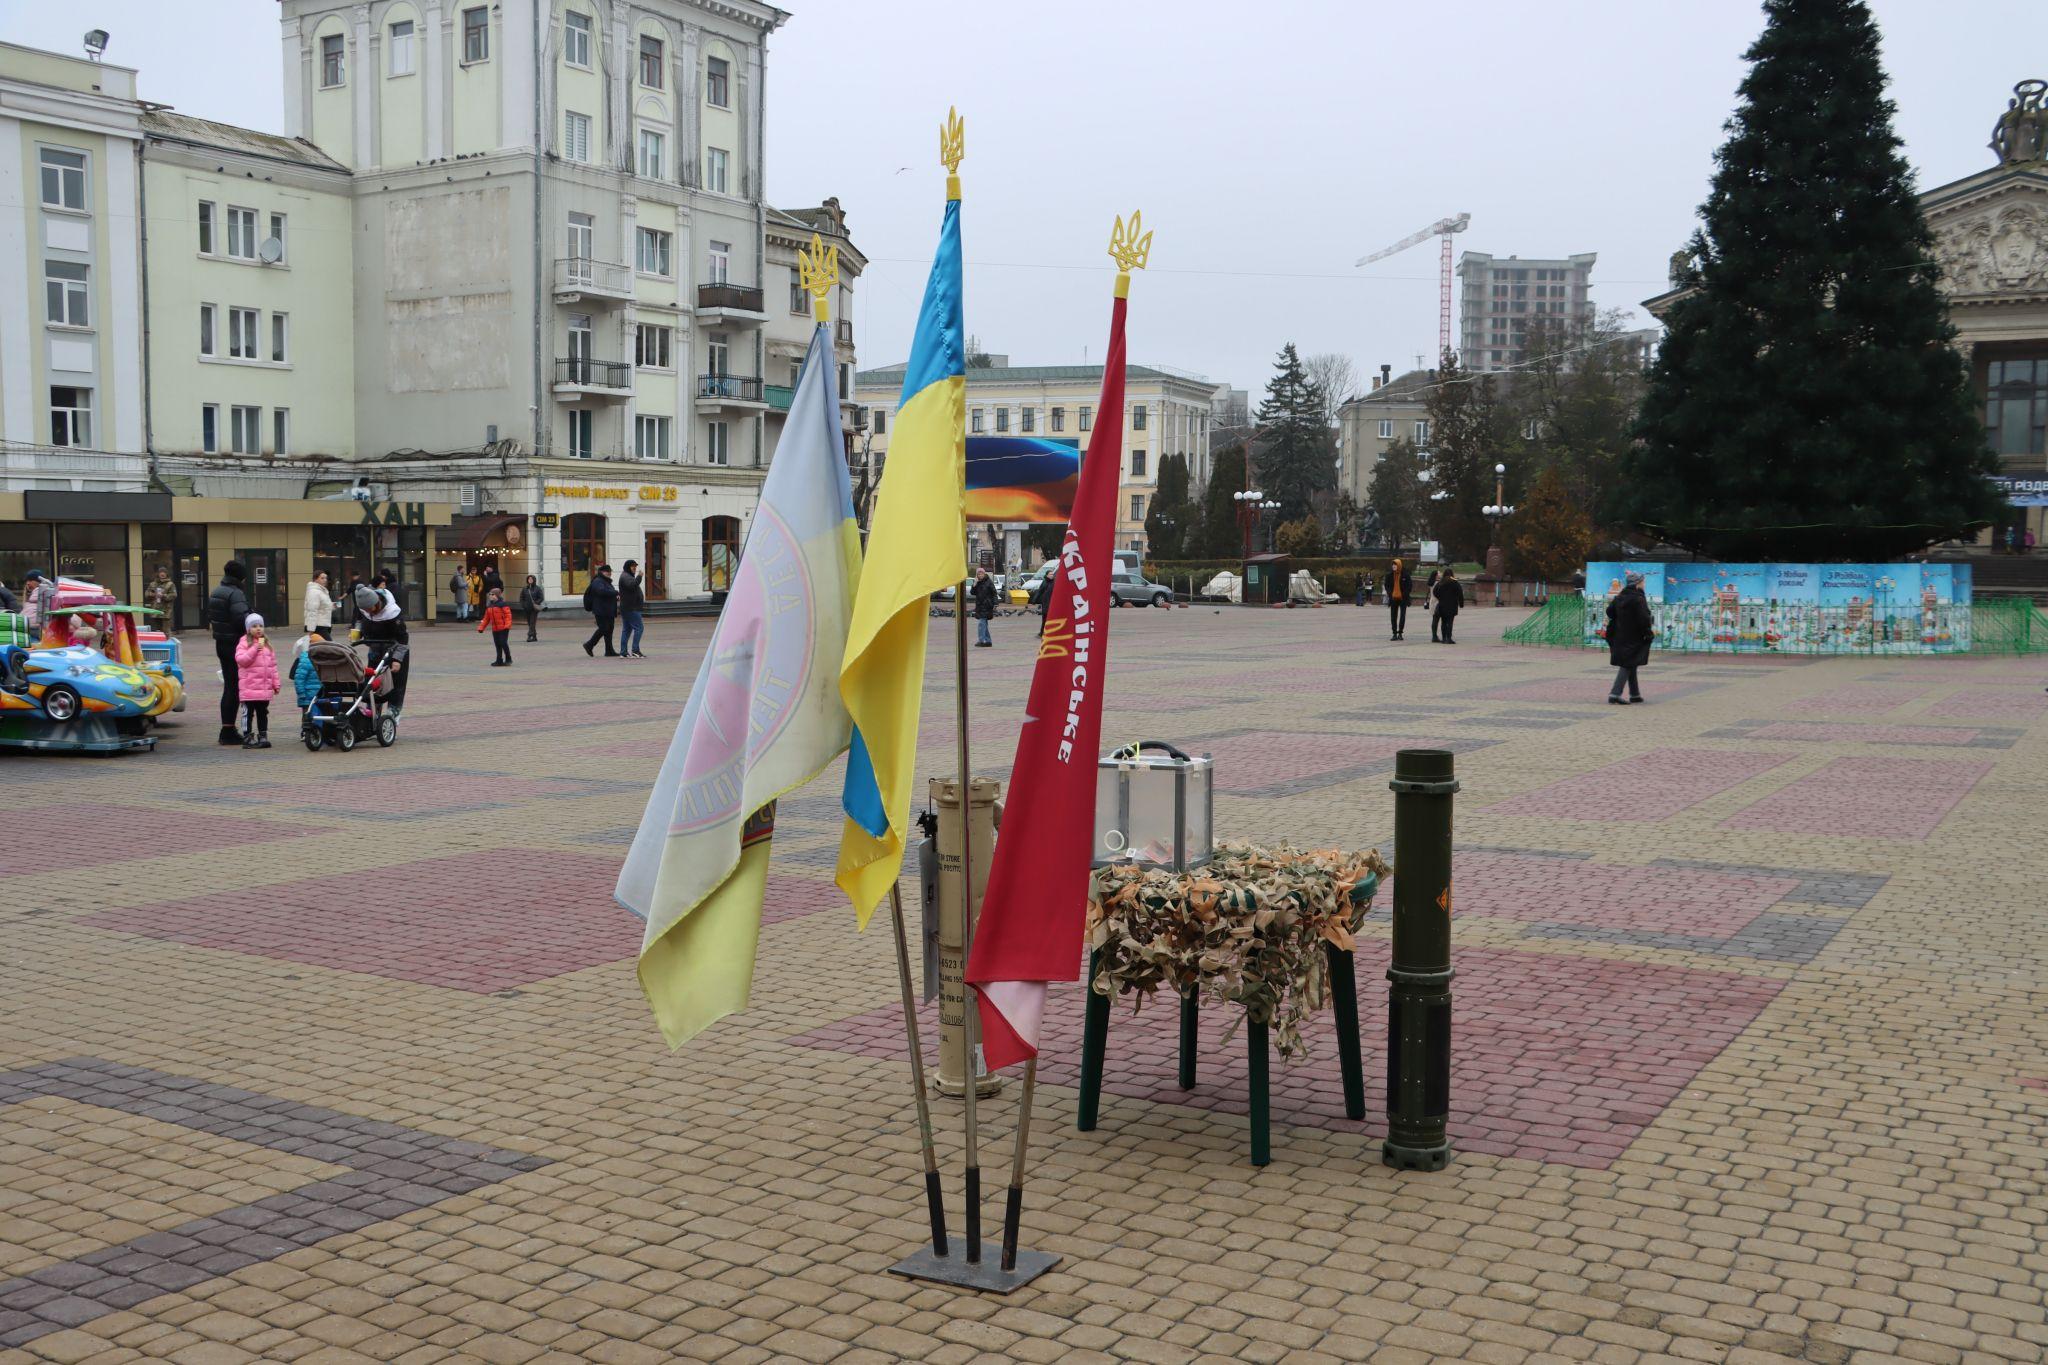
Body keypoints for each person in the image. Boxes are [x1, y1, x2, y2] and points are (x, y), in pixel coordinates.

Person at [206, 561, 252, 745]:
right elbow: (242, 619)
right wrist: (252, 616)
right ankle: (228, 731)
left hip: (221, 643)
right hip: (235, 644)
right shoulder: (236, 593)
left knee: (229, 686)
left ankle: (227, 727)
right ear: (240, 576)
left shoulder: (217, 591)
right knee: (234, 687)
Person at [357, 569, 410, 718]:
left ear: (377, 603)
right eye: (365, 610)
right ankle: (373, 712)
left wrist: (397, 659)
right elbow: (364, 626)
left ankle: (393, 714)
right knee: (373, 681)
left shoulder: (392, 613)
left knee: (396, 684)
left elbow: (403, 637)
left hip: (395, 648)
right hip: (376, 648)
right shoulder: (367, 611)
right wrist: (360, 634)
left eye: (370, 609)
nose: (369, 612)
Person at [1606, 570, 1655, 704]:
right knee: (1628, 664)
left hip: (1620, 635)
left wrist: (1622, 619)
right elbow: (1644, 618)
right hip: (1634, 636)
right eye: (1643, 582)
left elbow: (1609, 611)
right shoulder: (1638, 598)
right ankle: (1615, 693)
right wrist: (1648, 633)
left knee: (1631, 662)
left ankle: (1635, 694)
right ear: (1638, 583)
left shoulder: (1620, 597)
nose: (1644, 584)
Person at [234, 613, 281, 748]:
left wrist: (275, 683)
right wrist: (255, 648)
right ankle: (247, 736)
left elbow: (273, 667)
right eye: (254, 626)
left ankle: (263, 736)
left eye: (261, 626)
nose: (258, 629)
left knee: (263, 713)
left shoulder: (267, 645)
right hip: (249, 688)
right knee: (248, 713)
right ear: (248, 629)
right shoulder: (244, 643)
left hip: (264, 688)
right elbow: (242, 660)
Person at [582, 564, 619, 657]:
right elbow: (601, 591)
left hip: (608, 610)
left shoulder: (606, 581)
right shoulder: (598, 581)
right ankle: (589, 644)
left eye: (610, 572)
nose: (610, 573)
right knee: (604, 628)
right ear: (602, 572)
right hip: (601, 610)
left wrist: (615, 597)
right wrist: (615, 592)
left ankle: (609, 650)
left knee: (609, 629)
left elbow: (607, 594)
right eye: (608, 572)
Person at [618, 559, 647, 659]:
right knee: (639, 628)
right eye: (632, 566)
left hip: (628, 607)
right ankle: (635, 651)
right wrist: (639, 576)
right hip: (631, 608)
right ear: (628, 567)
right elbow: (632, 585)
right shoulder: (626, 576)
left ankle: (623, 652)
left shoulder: (627, 576)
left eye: (635, 566)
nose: (635, 568)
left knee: (627, 629)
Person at [478, 587, 514, 666]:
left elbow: (508, 616)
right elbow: (486, 618)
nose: (490, 596)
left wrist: (507, 625)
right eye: (490, 594)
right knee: (497, 644)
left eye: (492, 594)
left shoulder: (503, 604)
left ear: (497, 595)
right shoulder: (490, 606)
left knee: (503, 643)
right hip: (495, 629)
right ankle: (499, 660)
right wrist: (481, 627)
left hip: (503, 628)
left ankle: (508, 658)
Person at [1431, 566, 1464, 644]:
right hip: (1452, 605)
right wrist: (1461, 603)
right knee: (1450, 622)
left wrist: (1440, 598)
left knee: (1443, 622)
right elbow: (1460, 593)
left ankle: (1444, 638)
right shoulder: (1455, 582)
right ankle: (1449, 638)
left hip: (1442, 605)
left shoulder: (1440, 582)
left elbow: (1435, 592)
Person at [1384, 558, 1413, 641]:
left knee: (1402, 615)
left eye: (1395, 565)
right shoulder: (1389, 575)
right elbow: (1387, 585)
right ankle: (1394, 633)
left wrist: (1404, 594)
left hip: (1403, 598)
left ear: (1399, 565)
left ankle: (1400, 632)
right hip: (1393, 598)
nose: (1393, 566)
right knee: (1393, 616)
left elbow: (1409, 586)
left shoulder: (1405, 575)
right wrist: (1390, 593)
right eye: (1393, 565)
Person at [303, 571, 336, 641]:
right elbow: (312, 611)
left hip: (324, 625)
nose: (325, 580)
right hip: (318, 626)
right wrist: (311, 630)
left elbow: (324, 607)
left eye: (326, 578)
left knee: (322, 649)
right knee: (330, 647)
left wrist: (333, 606)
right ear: (315, 579)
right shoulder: (314, 592)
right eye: (322, 578)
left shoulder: (322, 591)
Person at [144, 566, 179, 630]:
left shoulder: (170, 584)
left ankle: (166, 640)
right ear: (158, 574)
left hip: (165, 611)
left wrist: (164, 596)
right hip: (155, 610)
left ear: (167, 574)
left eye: (164, 572)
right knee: (157, 631)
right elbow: (146, 594)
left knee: (166, 631)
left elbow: (174, 595)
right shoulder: (152, 584)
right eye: (161, 572)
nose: (162, 574)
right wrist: (152, 594)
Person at [970, 567, 998, 647]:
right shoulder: (977, 582)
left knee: (981, 624)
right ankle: (988, 641)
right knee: (984, 624)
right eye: (978, 574)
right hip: (979, 606)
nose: (980, 575)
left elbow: (994, 593)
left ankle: (981, 640)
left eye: (981, 573)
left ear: (984, 573)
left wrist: (995, 603)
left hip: (987, 606)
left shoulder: (989, 582)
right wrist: (974, 585)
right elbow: (972, 593)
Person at [519, 574, 544, 642]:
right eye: (529, 579)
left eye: (531, 579)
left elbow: (541, 598)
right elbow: (521, 598)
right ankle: (534, 636)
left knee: (532, 622)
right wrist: (523, 605)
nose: (530, 580)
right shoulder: (525, 589)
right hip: (527, 608)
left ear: (534, 580)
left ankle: (530, 636)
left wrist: (536, 603)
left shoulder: (537, 588)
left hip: (534, 609)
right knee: (529, 623)